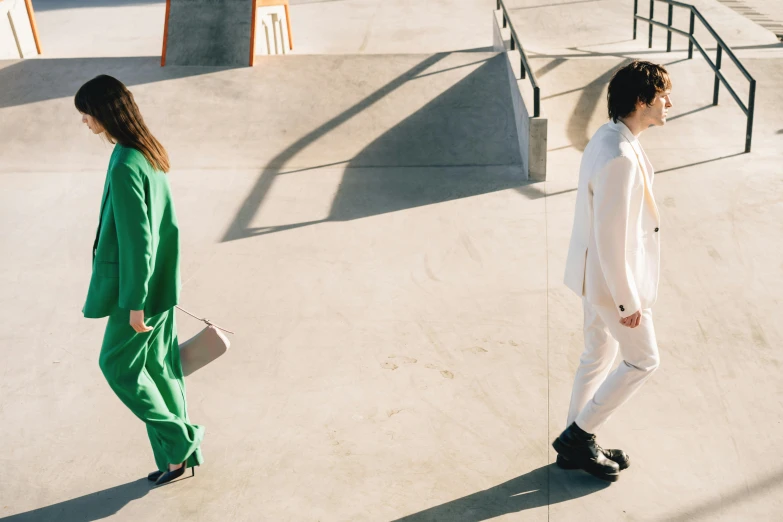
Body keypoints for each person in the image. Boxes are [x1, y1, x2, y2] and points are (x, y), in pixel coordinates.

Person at [76, 75, 204, 487]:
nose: (84, 121)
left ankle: (180, 440)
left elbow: (138, 241)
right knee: (161, 369)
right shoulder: (147, 151)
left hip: (140, 292)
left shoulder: (126, 162)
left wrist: (134, 302)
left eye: (86, 113)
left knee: (116, 366)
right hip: (162, 285)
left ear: (103, 113)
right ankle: (178, 460)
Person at [554, 61, 672, 482]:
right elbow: (609, 238)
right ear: (641, 100)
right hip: (610, 283)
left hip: (591, 276)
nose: (668, 103)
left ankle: (574, 447)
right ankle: (579, 436)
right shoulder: (619, 156)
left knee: (596, 357)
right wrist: (627, 302)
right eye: (662, 96)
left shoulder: (609, 137)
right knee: (643, 360)